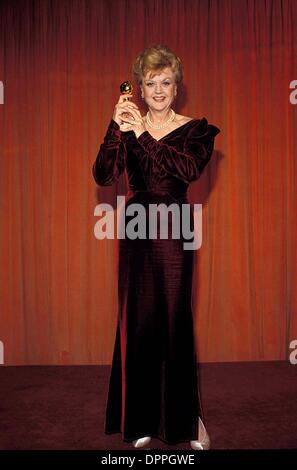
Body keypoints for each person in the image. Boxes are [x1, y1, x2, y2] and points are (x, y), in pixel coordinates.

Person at [92, 44, 220, 449]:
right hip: (134, 230)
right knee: (139, 322)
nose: (159, 89)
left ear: (177, 87)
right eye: (151, 83)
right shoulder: (127, 126)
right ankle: (142, 418)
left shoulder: (196, 129)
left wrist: (142, 133)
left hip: (174, 228)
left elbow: (184, 169)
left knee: (174, 320)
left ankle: (189, 421)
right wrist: (116, 128)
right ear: (141, 89)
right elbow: (102, 173)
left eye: (166, 82)